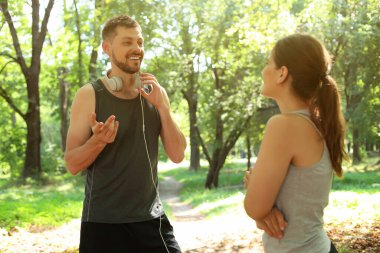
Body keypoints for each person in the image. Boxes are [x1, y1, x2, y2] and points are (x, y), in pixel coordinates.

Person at [64, 14, 186, 253]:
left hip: (151, 219)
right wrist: (98, 142)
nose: (137, 49)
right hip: (102, 224)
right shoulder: (89, 95)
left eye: (139, 42)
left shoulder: (155, 93)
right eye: (128, 42)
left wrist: (163, 106)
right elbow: (72, 163)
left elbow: (178, 154)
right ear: (107, 48)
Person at [244, 34, 348, 252]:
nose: (263, 71)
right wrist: (263, 211)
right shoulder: (316, 124)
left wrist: (255, 195)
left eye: (267, 63)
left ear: (282, 73)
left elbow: (254, 207)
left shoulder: (284, 125)